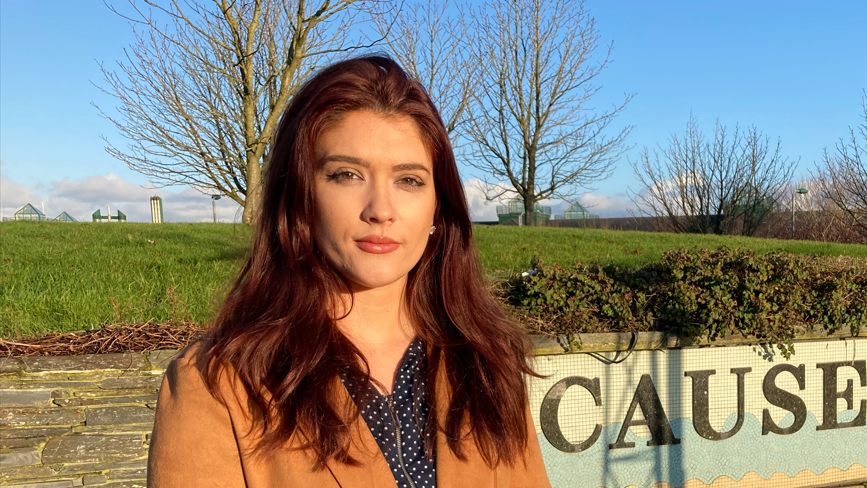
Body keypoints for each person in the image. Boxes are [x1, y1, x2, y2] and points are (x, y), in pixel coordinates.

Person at [147, 55, 551, 488]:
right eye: (346, 174)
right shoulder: (218, 385)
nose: (380, 210)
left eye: (409, 180)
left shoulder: (487, 361)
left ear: (439, 205)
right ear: (301, 196)